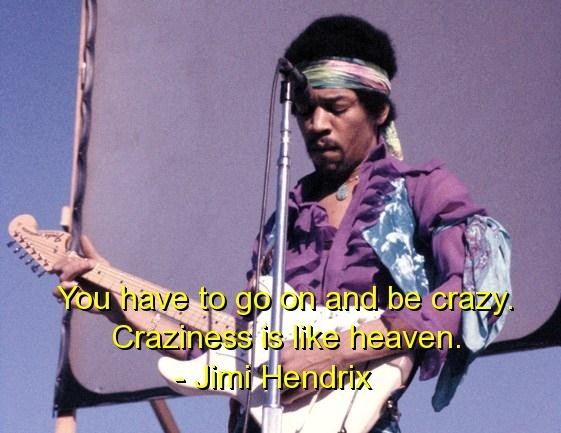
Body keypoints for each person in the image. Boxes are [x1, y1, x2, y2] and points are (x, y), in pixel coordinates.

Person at [53, 15, 511, 433]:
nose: (317, 124)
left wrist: (337, 352)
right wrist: (123, 308)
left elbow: (478, 293)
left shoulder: (422, 190)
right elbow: (234, 352)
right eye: (306, 111)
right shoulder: (283, 221)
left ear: (380, 110)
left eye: (336, 107)